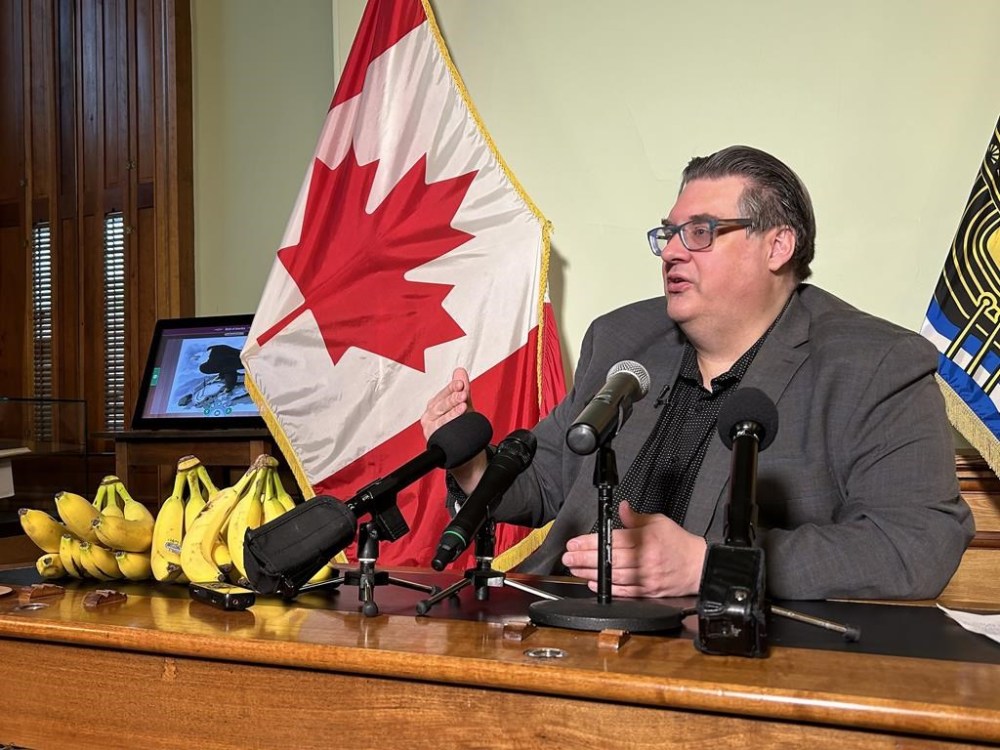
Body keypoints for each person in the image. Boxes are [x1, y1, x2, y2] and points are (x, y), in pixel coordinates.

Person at [421, 145, 974, 601]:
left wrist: (711, 567)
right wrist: (471, 465)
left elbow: (914, 546)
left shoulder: (876, 363)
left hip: (731, 657)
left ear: (778, 246)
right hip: (566, 626)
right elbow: (545, 483)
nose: (672, 253)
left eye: (701, 232)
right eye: (669, 234)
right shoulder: (621, 339)